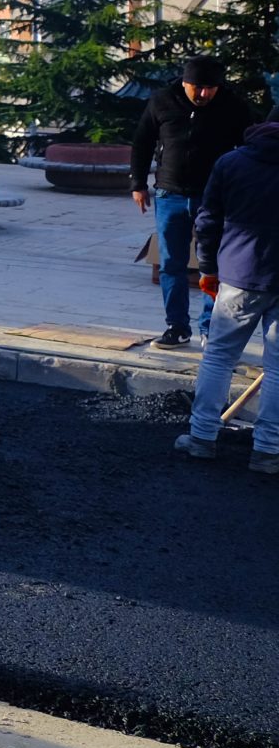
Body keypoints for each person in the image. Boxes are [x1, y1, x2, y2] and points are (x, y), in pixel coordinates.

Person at [174, 120, 279, 473]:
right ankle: (267, 451)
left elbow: (208, 220)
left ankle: (202, 437)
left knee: (219, 357)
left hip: (240, 274)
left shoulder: (232, 163)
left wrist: (206, 268)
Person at [132, 56, 257, 349]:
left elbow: (251, 147)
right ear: (185, 82)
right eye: (197, 88)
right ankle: (177, 327)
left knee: (213, 265)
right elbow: (142, 141)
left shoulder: (233, 106)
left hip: (214, 197)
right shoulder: (162, 101)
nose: (203, 95)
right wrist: (138, 184)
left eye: (210, 89)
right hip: (169, 194)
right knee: (171, 264)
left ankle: (211, 328)